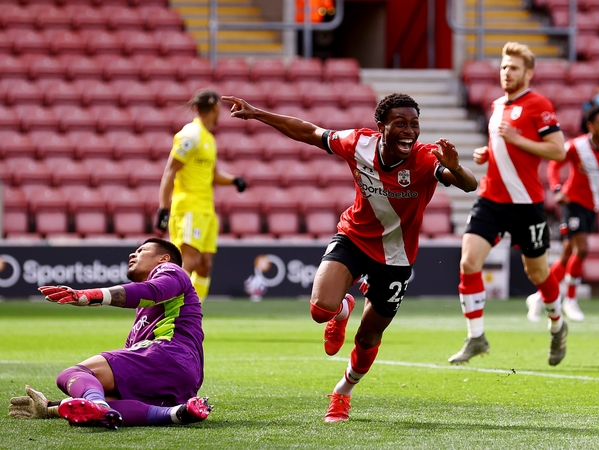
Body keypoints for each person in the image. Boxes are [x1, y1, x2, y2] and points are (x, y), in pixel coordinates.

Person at [222, 93, 478, 422]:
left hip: (396, 258)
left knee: (369, 336)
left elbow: (469, 186)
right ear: (381, 126)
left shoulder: (427, 159)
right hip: (354, 238)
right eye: (400, 124)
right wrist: (258, 114)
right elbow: (309, 132)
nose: (409, 131)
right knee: (319, 310)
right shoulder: (357, 143)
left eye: (414, 124)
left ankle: (342, 393)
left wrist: (456, 167)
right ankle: (341, 310)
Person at [448, 41, 568, 367]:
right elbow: (502, 146)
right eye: (503, 67)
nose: (506, 72)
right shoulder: (497, 105)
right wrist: (487, 154)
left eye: (513, 68)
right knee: (468, 262)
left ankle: (557, 325)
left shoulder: (539, 104)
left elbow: (558, 151)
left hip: (526, 203)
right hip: (491, 199)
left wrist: (517, 140)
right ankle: (476, 337)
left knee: (537, 272)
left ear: (528, 73)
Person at [7, 238, 211, 429]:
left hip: (169, 352)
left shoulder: (171, 270)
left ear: (163, 258)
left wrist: (90, 295)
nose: (133, 254)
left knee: (70, 375)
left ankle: (99, 406)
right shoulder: (144, 320)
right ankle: (176, 413)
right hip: (185, 382)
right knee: (108, 402)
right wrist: (52, 407)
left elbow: (152, 292)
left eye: (141, 250)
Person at [527, 106, 599, 323]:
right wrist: (557, 189)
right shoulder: (576, 146)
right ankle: (570, 300)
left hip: (592, 205)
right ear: (590, 126)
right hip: (572, 202)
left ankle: (539, 297)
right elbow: (553, 165)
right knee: (582, 249)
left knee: (568, 254)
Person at [155, 89, 247, 304]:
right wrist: (163, 207)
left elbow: (212, 174)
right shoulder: (191, 135)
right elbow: (171, 170)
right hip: (189, 207)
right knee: (189, 261)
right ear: (215, 108)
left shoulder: (207, 138)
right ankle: (170, 311)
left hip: (206, 209)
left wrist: (233, 180)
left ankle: (193, 311)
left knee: (205, 263)